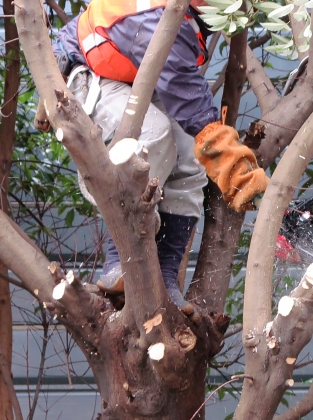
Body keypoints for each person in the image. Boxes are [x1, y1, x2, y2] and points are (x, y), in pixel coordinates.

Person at [43, 0, 269, 316]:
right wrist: (235, 168)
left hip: (128, 75)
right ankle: (118, 260)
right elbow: (186, 94)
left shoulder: (185, 14)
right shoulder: (158, 16)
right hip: (86, 73)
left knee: (190, 153)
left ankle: (165, 277)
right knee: (153, 134)